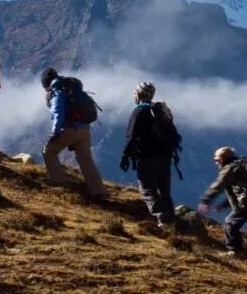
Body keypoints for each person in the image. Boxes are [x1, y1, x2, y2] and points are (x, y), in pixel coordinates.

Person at [40, 68, 108, 200]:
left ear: (46, 84)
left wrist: (54, 133)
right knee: (86, 160)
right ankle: (99, 191)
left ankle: (57, 180)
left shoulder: (56, 90)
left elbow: (58, 113)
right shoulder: (71, 87)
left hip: (70, 128)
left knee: (48, 151)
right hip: (85, 130)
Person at [120, 82, 176, 227]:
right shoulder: (159, 111)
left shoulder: (139, 111)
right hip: (165, 155)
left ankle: (163, 218)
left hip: (147, 156)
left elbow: (131, 136)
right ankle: (173, 220)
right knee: (164, 190)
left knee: (147, 189)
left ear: (138, 94)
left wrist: (125, 155)